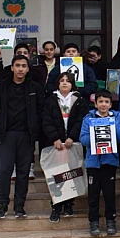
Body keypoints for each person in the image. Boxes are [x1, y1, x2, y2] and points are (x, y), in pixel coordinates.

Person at [0, 55, 44, 219]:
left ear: (28, 69)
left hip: (26, 135)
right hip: (6, 135)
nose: (20, 69)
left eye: (23, 66)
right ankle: (2, 204)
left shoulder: (35, 87)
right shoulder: (1, 88)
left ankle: (20, 205)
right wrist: (0, 126)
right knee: (4, 171)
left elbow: (41, 110)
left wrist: (35, 127)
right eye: (17, 65)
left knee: (23, 172)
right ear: (12, 67)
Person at [41, 72, 88, 222]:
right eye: (62, 81)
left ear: (73, 83)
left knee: (72, 173)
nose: (65, 83)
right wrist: (55, 138)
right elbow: (46, 120)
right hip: (56, 144)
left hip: (72, 143)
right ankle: (56, 205)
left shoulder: (80, 100)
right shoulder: (50, 100)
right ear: (57, 84)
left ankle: (69, 204)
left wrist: (71, 137)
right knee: (57, 175)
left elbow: (82, 120)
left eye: (68, 81)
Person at [80, 90, 120, 236]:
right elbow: (83, 139)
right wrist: (95, 135)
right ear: (95, 103)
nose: (103, 105)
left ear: (111, 104)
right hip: (93, 162)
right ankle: (93, 221)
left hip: (110, 161)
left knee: (109, 193)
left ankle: (111, 220)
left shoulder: (117, 117)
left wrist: (111, 126)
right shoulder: (88, 118)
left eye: (106, 102)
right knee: (93, 193)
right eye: (101, 102)